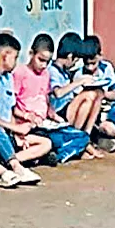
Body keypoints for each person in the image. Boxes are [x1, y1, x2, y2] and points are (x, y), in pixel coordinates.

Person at [0, 33, 46, 184]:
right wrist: (15, 128)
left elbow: (11, 109)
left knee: (45, 143)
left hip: (8, 132)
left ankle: (11, 159)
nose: (16, 62)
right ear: (4, 55)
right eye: (15, 57)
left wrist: (18, 132)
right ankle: (16, 167)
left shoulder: (8, 78)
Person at [13, 34, 90, 163]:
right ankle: (50, 154)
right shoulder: (20, 72)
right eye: (41, 60)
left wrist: (53, 115)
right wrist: (27, 116)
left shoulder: (46, 74)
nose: (43, 65)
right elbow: (12, 107)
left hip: (44, 125)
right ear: (31, 54)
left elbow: (45, 99)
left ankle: (50, 155)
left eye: (47, 62)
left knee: (82, 137)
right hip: (28, 126)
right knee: (51, 142)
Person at [49, 33, 105, 159]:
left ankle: (85, 138)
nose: (75, 64)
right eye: (75, 60)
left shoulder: (64, 72)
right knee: (89, 96)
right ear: (70, 57)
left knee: (98, 94)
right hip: (59, 112)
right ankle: (80, 142)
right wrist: (79, 82)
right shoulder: (52, 70)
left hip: (68, 108)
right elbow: (58, 93)